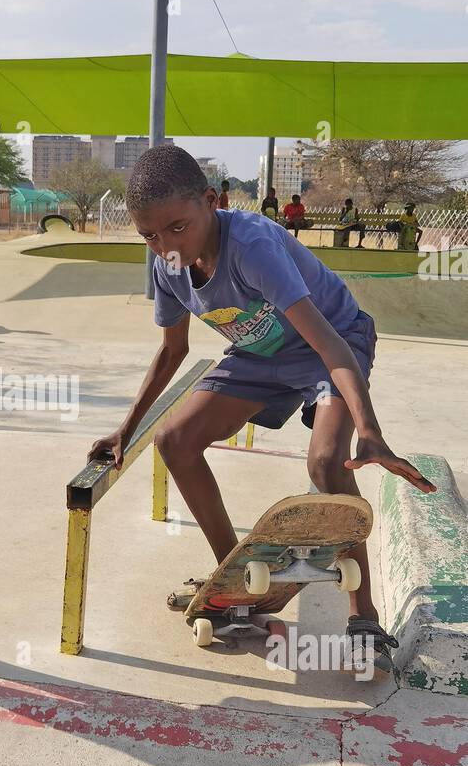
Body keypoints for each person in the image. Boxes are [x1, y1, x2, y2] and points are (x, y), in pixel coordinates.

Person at [88, 145, 435, 674]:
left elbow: (328, 343)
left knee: (325, 463)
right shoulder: (167, 266)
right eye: (149, 236)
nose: (165, 247)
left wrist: (368, 428)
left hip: (330, 342)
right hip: (258, 355)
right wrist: (125, 430)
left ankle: (363, 615)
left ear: (211, 201)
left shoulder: (252, 246)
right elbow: (172, 351)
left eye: (177, 228)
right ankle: (236, 581)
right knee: (173, 440)